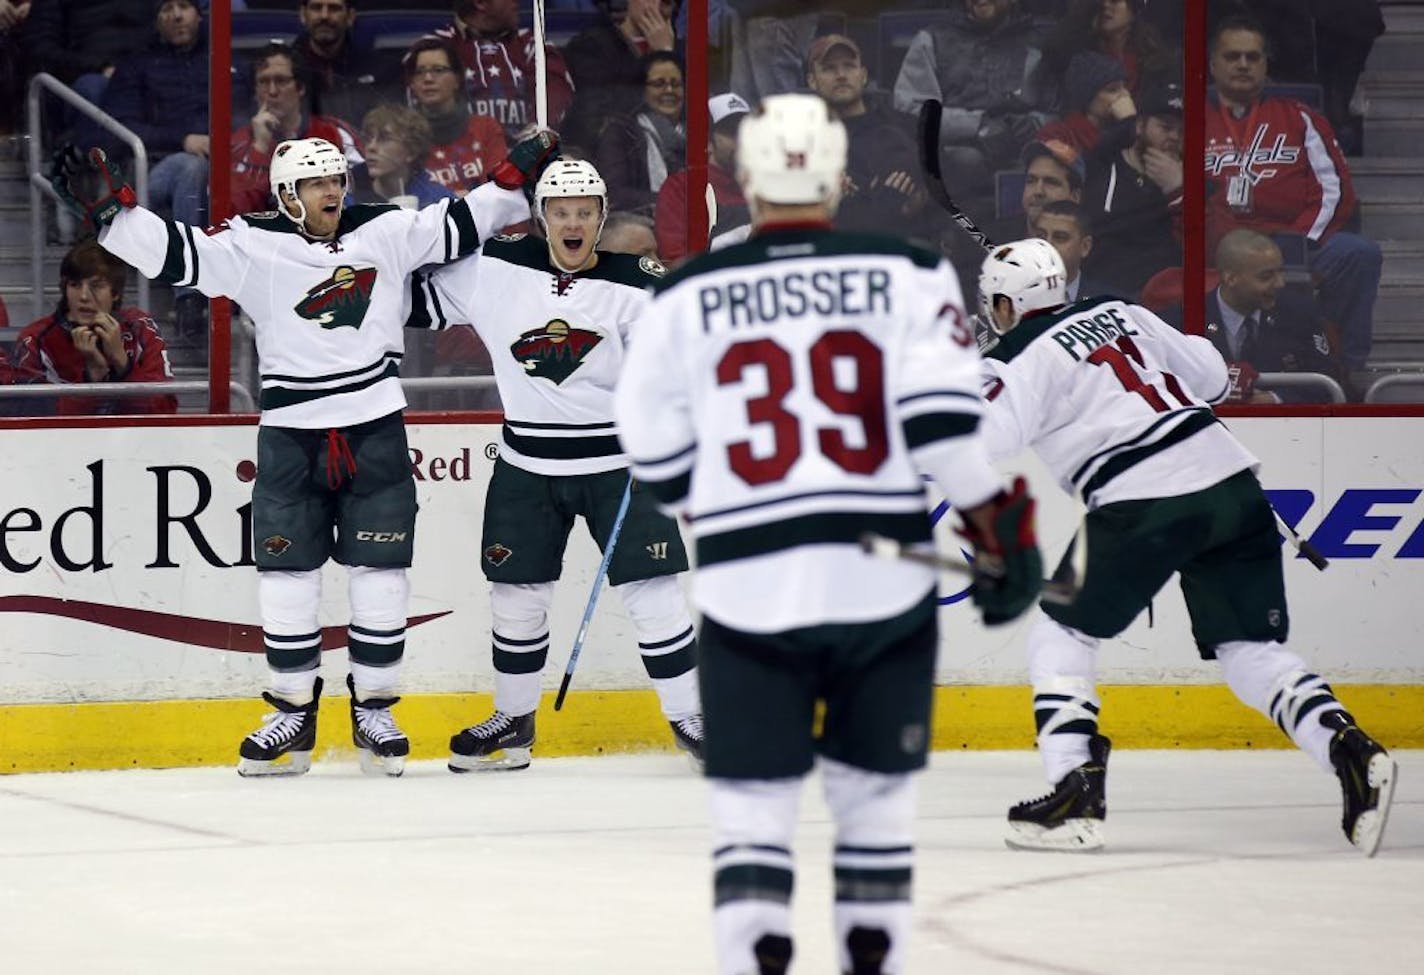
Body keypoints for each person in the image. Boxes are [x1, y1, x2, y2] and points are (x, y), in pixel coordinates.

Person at [614, 94, 1044, 975]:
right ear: (836, 178)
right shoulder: (909, 272)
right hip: (878, 585)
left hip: (748, 581)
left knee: (753, 814)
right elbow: (948, 435)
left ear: (747, 178)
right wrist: (1001, 531)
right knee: (873, 812)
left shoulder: (687, 293)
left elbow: (653, 455)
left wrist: (717, 496)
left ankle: (755, 952)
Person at [54, 128, 560, 777]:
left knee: (382, 575)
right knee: (286, 578)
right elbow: (181, 255)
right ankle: (292, 713)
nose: (332, 190)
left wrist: (514, 176)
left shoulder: (387, 228)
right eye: (318, 182)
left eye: (337, 179)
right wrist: (113, 218)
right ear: (288, 195)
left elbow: (460, 223)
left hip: (374, 425)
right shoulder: (253, 243)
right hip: (291, 434)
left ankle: (374, 708)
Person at [973, 236, 1396, 857]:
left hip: (1143, 500)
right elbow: (1206, 374)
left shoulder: (1014, 355)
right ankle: (1350, 751)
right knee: (1250, 649)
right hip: (1232, 485)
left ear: (1004, 306)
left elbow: (981, 439)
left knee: (1061, 635)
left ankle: (1073, 791)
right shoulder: (1124, 311)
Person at [405, 158, 705, 772]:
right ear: (541, 218)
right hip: (526, 463)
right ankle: (514, 723)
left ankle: (693, 715)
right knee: (517, 593)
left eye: (585, 213)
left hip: (618, 465)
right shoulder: (496, 269)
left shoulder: (639, 283)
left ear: (602, 219)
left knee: (654, 593)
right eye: (561, 212)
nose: (573, 223)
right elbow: (408, 290)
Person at [1205, 15, 1381, 372]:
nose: (1243, 64)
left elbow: (1336, 191)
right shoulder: (1190, 120)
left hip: (1294, 243)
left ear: (1265, 64)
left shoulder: (1300, 116)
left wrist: (1298, 241)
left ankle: (1344, 367)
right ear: (1212, 64)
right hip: (1214, 246)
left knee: (1359, 254)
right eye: (1232, 56)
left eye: (1253, 57)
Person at [893, 0, 1051, 198]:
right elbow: (907, 111)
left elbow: (1062, 110)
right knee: (966, 161)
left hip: (1028, 154)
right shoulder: (932, 39)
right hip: (958, 166)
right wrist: (978, 125)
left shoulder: (1041, 43)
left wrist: (1034, 123)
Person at [1164, 229, 1342, 404]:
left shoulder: (1300, 314)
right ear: (1231, 278)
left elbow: (1328, 383)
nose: (1280, 283)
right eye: (1266, 277)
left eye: (1280, 272)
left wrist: (1274, 399)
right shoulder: (1182, 320)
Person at [6, 238, 176, 415]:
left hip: (135, 441)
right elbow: (29, 421)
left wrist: (122, 362)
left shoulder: (140, 327)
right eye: (75, 285)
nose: (84, 296)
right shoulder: (35, 339)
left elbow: (165, 411)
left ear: (115, 293)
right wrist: (92, 375)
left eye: (96, 286)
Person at [804, 32, 927, 239]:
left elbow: (926, 197)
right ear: (812, 81)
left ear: (863, 75)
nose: (841, 75)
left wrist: (856, 201)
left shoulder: (903, 128)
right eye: (829, 69)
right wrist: (882, 208)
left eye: (849, 66)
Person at [231, 42, 364, 215]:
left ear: (300, 88)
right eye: (263, 82)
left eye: (281, 81)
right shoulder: (239, 143)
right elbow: (232, 213)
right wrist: (260, 148)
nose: (272, 91)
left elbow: (363, 196)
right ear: (255, 91)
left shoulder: (335, 134)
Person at [1080, 82, 1183, 298]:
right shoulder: (1102, 167)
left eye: (1182, 131)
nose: (1175, 137)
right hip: (1104, 296)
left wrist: (1178, 190)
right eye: (1165, 127)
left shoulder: (1190, 181)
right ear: (1139, 126)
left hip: (1167, 301)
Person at [428, 0, 575, 139]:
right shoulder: (435, 46)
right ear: (480, 2)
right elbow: (421, 103)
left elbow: (558, 87)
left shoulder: (530, 42)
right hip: (459, 157)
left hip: (528, 155)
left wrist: (536, 132)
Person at [563, 0, 680, 152]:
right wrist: (661, 57)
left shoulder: (683, 50)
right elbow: (602, 111)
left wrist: (668, 54)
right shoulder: (590, 47)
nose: (659, 6)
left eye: (666, 1)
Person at [403, 35, 509, 196]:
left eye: (438, 70)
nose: (428, 78)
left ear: (457, 79)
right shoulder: (404, 136)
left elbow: (499, 190)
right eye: (420, 72)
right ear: (412, 84)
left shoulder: (486, 128)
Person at [654, 92, 750, 262]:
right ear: (706, 141)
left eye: (747, 130)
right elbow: (674, 259)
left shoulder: (763, 184)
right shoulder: (681, 188)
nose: (742, 139)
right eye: (731, 132)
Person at [593, 51, 686, 216]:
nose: (669, 90)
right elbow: (614, 193)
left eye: (676, 84)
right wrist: (672, 202)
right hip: (640, 224)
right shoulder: (621, 133)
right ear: (642, 91)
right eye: (659, 84)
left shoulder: (696, 133)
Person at [291, 0, 399, 127]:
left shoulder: (381, 70)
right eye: (316, 8)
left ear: (350, 17)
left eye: (334, 8)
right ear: (303, 15)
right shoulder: (286, 71)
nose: (324, 16)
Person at [1034, 51, 1137, 158]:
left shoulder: (1132, 129)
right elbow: (1081, 168)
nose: (1125, 94)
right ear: (1087, 97)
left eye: (1124, 87)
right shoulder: (1056, 134)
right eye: (1112, 90)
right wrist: (1125, 127)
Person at [354, 103, 456, 209]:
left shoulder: (437, 202)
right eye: (368, 138)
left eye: (384, 139)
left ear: (412, 152)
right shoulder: (346, 196)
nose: (371, 147)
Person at [1031, 200, 1109, 304]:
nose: (1047, 245)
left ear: (1085, 247)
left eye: (1060, 238)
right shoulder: (1011, 297)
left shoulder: (1106, 303)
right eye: (1040, 236)